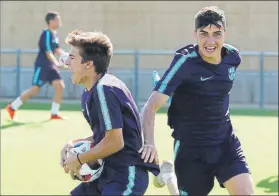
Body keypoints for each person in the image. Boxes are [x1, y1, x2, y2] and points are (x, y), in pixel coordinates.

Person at [139, 6, 254, 196]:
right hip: (191, 150)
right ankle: (169, 176)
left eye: (217, 33)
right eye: (204, 34)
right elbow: (151, 106)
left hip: (225, 143)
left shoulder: (233, 57)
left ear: (225, 34)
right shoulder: (184, 63)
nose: (210, 41)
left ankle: (169, 174)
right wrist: (149, 143)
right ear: (195, 35)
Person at [60, 30, 160, 195]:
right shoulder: (90, 91)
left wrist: (79, 159)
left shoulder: (104, 89)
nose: (67, 63)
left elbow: (115, 141)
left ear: (89, 64)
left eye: (72, 58)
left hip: (125, 175)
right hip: (106, 172)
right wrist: (73, 145)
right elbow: (106, 134)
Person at [5, 11, 67, 120]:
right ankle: (12, 106)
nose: (59, 22)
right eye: (57, 19)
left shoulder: (54, 34)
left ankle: (54, 113)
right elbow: (48, 52)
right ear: (51, 21)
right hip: (42, 66)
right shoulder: (46, 33)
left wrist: (67, 56)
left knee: (60, 86)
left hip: (50, 66)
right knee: (34, 90)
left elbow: (56, 49)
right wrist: (57, 63)